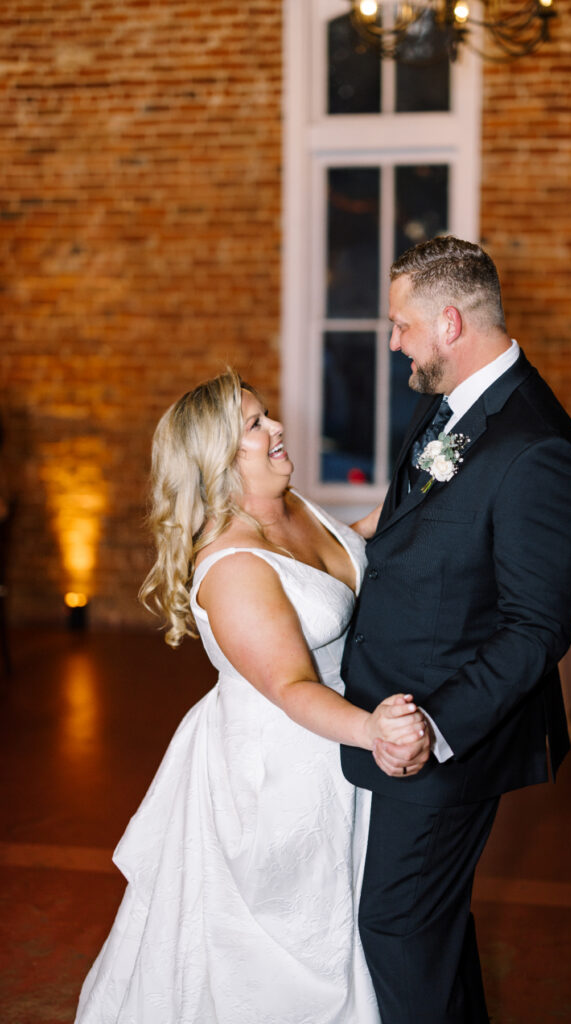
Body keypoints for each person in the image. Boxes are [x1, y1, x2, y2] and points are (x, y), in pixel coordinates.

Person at [74, 368, 428, 1024]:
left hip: (331, 743)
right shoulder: (234, 566)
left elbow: (342, 551)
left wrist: (426, 496)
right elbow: (290, 685)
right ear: (215, 461)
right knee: (281, 955)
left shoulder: (289, 505)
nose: (277, 429)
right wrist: (372, 730)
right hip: (281, 769)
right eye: (255, 426)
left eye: (267, 417)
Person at [340, 236, 571, 1023]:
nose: (392, 343)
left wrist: (436, 728)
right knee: (426, 927)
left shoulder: (536, 448)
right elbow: (404, 523)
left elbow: (535, 627)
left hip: (448, 730)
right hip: (391, 705)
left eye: (400, 325)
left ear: (448, 321)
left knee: (396, 924)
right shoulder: (445, 397)